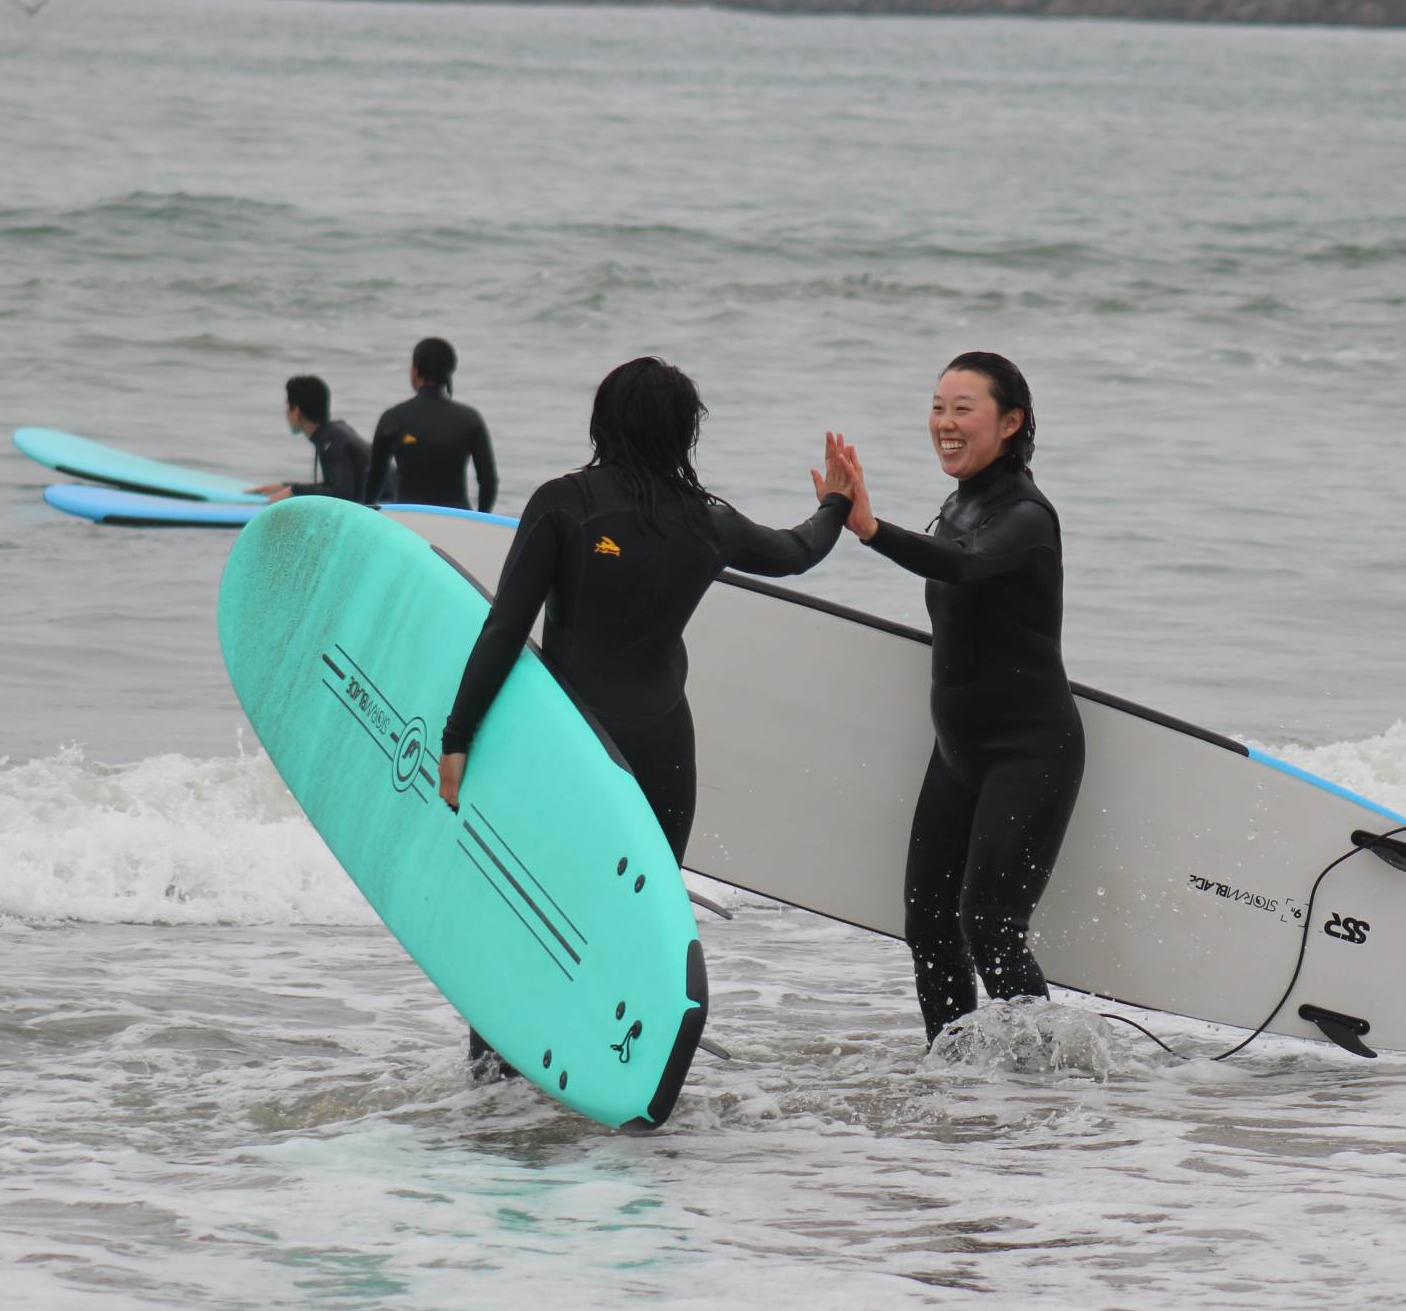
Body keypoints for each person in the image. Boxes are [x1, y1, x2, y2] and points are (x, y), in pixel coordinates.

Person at [438, 356, 856, 1078]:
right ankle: (618, 1073)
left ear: (602, 421)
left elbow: (504, 628)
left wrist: (457, 736)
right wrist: (838, 506)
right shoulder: (708, 522)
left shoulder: (564, 503)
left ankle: (496, 1088)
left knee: (527, 919)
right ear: (683, 433)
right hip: (663, 751)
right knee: (633, 931)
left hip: (570, 751)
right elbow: (795, 552)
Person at [837, 351, 1083, 1045]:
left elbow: (969, 564)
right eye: (938, 406)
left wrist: (872, 529)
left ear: (1010, 422)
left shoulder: (1028, 515)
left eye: (962, 408)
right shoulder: (957, 503)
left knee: (990, 923)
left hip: (1028, 750)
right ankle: (959, 1081)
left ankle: (1037, 1079)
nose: (945, 423)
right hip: (958, 753)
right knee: (929, 922)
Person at [367, 337, 499, 513]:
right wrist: (482, 520)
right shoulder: (470, 419)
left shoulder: (393, 418)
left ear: (415, 370)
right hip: (456, 521)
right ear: (450, 371)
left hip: (409, 521)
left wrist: (368, 513)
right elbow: (488, 481)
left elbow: (375, 477)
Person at [251, 375, 381, 504]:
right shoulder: (334, 433)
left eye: (286, 407)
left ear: (296, 411)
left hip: (390, 507)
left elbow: (342, 493)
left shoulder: (331, 441)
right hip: (386, 501)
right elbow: (338, 486)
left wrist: (293, 491)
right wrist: (286, 487)